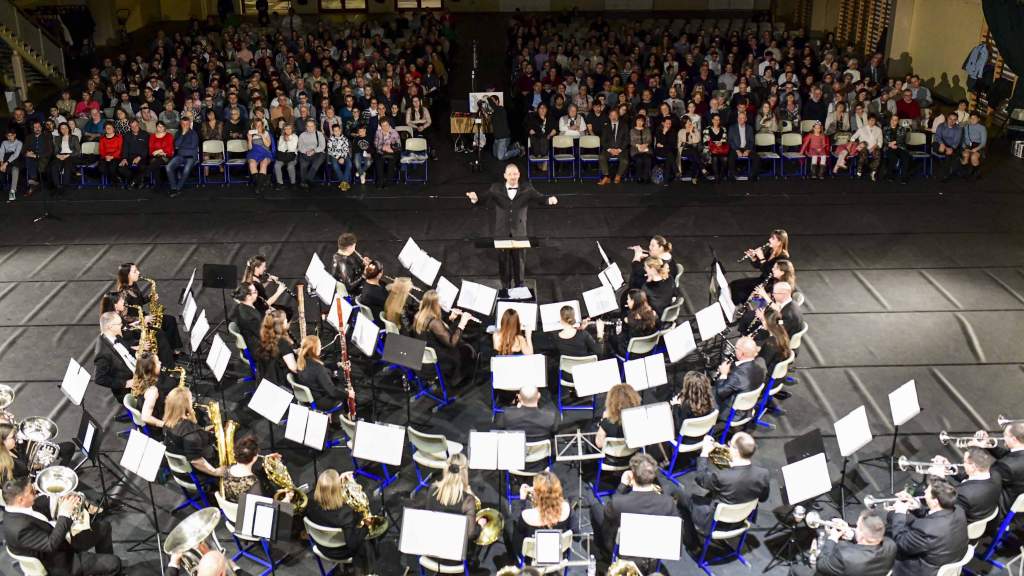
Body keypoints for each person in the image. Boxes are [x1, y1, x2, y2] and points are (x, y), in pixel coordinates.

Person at [3, 476, 121, 576]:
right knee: (114, 563)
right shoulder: (20, 529)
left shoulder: (16, 509)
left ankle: (101, 567)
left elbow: (38, 509)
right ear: (20, 499)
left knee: (104, 527)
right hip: (61, 562)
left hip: (62, 541)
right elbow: (51, 545)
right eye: (32, 492)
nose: (35, 494)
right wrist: (65, 514)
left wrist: (58, 497)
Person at [465, 163, 558, 289]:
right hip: (501, 233)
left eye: (515, 174)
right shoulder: (496, 188)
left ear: (519, 174)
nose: (512, 177)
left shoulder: (527, 189)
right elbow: (483, 198)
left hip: (519, 233)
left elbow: (540, 198)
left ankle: (519, 287)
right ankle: (506, 286)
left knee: (519, 262)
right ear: (505, 176)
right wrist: (475, 198)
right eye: (510, 174)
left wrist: (549, 200)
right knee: (503, 262)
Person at [680, 433, 771, 550]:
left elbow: (701, 479)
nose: (726, 446)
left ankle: (693, 543)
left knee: (680, 496)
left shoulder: (722, 477)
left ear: (736, 451)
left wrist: (704, 454)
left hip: (717, 522)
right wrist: (718, 450)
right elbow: (763, 498)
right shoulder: (763, 474)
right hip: (741, 519)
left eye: (729, 444)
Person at [589, 453, 677, 561]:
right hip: (654, 550)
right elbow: (675, 533)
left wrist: (622, 485)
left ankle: (604, 552)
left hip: (625, 551)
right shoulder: (668, 502)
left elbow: (608, 515)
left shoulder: (619, 502)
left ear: (632, 475)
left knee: (596, 508)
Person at [888, 479, 968, 576]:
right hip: (948, 556)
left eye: (927, 491)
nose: (924, 492)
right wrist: (919, 507)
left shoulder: (926, 530)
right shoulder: (959, 510)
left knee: (889, 543)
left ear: (935, 501)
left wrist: (900, 512)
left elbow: (901, 542)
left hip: (920, 571)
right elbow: (937, 515)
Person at [788, 510, 896, 576]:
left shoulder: (845, 556)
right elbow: (870, 539)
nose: (854, 528)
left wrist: (832, 538)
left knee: (795, 570)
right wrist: (851, 534)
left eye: (857, 527)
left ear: (863, 535)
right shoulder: (891, 545)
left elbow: (821, 565)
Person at [417, 454, 487, 553]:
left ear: (446, 469)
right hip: (454, 555)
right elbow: (471, 534)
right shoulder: (468, 500)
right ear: (464, 472)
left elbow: (429, 518)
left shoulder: (432, 489)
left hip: (432, 550)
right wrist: (480, 525)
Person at [304, 470, 369, 568]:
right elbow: (353, 545)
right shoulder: (345, 513)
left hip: (321, 546)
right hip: (341, 552)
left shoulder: (309, 502)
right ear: (337, 490)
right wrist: (366, 527)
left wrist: (336, 484)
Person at [413, 290, 475, 387]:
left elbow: (437, 333)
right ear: (435, 304)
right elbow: (452, 342)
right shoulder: (434, 322)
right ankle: (459, 380)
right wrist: (462, 323)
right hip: (438, 358)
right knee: (467, 349)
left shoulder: (419, 315)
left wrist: (451, 318)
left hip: (426, 354)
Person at [507, 471, 573, 560]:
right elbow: (575, 530)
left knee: (509, 525)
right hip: (559, 553)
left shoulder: (527, 515)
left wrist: (522, 500)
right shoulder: (566, 507)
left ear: (538, 495)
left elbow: (517, 540)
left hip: (531, 557)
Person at [163, 386, 225, 480]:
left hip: (180, 465)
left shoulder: (167, 422)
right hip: (194, 473)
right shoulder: (191, 436)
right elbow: (196, 461)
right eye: (191, 399)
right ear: (186, 405)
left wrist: (194, 421)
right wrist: (216, 472)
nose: (193, 401)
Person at [928, 447, 999, 525]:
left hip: (963, 524)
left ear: (973, 467)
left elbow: (945, 504)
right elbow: (967, 477)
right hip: (982, 512)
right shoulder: (995, 476)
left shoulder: (963, 493)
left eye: (964, 462)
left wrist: (938, 478)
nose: (962, 464)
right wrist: (949, 467)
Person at [729, 229, 790, 305]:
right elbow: (760, 266)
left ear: (780, 242)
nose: (769, 239)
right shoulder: (771, 250)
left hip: (770, 285)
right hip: (762, 279)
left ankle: (746, 308)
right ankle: (734, 306)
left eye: (773, 238)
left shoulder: (783, 258)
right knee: (735, 284)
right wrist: (753, 258)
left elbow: (769, 273)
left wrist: (761, 257)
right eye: (771, 237)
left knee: (741, 292)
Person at [973, 422, 1024, 512]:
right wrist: (988, 446)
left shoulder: (1004, 466)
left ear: (1014, 439)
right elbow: (1011, 456)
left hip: (1006, 513)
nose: (1003, 438)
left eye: (1005, 435)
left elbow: (984, 484)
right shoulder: (1013, 459)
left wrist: (975, 453)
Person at [715, 336, 767, 413]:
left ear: (742, 353)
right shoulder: (760, 367)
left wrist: (723, 374)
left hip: (731, 412)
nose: (735, 350)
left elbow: (721, 392)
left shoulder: (738, 375)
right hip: (748, 406)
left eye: (736, 348)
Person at [296, 335, 348, 411]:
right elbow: (333, 392)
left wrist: (336, 365)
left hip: (309, 398)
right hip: (320, 401)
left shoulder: (302, 361)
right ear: (315, 349)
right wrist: (348, 394)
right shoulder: (318, 368)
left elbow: (322, 367)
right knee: (343, 394)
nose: (321, 347)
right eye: (319, 345)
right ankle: (342, 418)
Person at [93, 311, 135, 403]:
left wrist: (136, 349)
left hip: (136, 370)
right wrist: (126, 383)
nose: (122, 325)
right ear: (110, 327)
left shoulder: (113, 335)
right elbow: (99, 378)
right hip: (129, 388)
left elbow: (125, 352)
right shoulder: (103, 353)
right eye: (119, 323)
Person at [221, 435, 276, 503]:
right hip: (244, 509)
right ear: (254, 458)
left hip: (233, 504)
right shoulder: (253, 483)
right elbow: (259, 508)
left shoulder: (228, 469)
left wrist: (266, 459)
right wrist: (286, 500)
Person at [128, 350, 170, 430]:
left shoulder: (141, 378)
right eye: (157, 362)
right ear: (151, 368)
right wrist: (165, 425)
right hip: (159, 425)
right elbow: (146, 417)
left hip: (158, 410)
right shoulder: (152, 391)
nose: (160, 363)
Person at [609, 290, 659, 358]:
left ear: (634, 302)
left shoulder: (629, 321)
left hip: (632, 354)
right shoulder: (654, 314)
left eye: (628, 299)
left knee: (611, 338)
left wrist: (618, 333)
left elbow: (623, 339)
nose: (627, 301)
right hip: (649, 350)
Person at [255, 310, 296, 385]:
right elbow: (293, 368)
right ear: (281, 324)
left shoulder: (263, 338)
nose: (287, 320)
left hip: (265, 381)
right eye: (286, 319)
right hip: (281, 384)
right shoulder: (283, 343)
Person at [628, 252, 675, 316]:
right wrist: (651, 277)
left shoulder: (647, 287)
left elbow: (641, 304)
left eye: (645, 267)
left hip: (654, 315)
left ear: (652, 269)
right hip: (665, 308)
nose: (644, 269)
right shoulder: (670, 278)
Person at [167, 116, 199, 196]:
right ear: (181, 124)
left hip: (191, 156)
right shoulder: (178, 133)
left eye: (187, 124)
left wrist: (181, 146)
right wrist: (183, 134)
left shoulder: (194, 133)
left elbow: (193, 146)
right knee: (168, 167)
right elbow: (176, 145)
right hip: (180, 156)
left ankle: (178, 188)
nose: (185, 126)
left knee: (186, 170)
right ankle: (173, 187)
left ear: (189, 124)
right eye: (183, 124)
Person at [597, 108, 629, 185]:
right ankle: (606, 177)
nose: (613, 117)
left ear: (618, 116)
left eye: (615, 115)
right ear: (609, 116)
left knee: (625, 161)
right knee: (601, 157)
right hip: (609, 149)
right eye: (611, 115)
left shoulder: (624, 125)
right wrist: (610, 149)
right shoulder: (605, 126)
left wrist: (619, 149)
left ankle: (618, 175)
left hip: (620, 149)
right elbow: (603, 141)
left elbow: (627, 139)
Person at [231, 281, 263, 355]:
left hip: (254, 341)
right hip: (258, 350)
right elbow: (262, 335)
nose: (257, 292)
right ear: (248, 296)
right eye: (255, 291)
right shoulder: (248, 316)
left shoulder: (241, 306)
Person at [850, 113, 884, 181]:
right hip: (863, 147)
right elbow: (852, 138)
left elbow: (880, 142)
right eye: (870, 120)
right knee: (864, 152)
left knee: (878, 153)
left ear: (875, 121)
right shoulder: (862, 129)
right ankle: (859, 170)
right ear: (868, 120)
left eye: (873, 120)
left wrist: (874, 147)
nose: (872, 122)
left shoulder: (878, 130)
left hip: (874, 147)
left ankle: (873, 172)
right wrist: (858, 145)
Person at [489, 94, 522, 161]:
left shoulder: (501, 109)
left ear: (497, 101)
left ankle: (519, 151)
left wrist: (487, 97)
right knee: (495, 155)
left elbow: (493, 106)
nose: (491, 103)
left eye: (492, 101)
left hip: (503, 137)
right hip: (497, 138)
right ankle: (514, 145)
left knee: (500, 157)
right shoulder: (493, 112)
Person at [727, 111, 759, 180]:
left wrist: (747, 150)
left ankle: (753, 175)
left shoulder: (749, 128)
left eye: (743, 118)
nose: (741, 120)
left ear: (746, 119)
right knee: (730, 157)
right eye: (739, 118)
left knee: (756, 157)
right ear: (737, 119)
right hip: (736, 148)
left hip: (746, 147)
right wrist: (737, 150)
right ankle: (733, 175)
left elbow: (751, 141)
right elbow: (730, 141)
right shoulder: (732, 128)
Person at [23, 120, 52, 196]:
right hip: (31, 157)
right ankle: (33, 182)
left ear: (41, 128)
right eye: (35, 127)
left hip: (43, 158)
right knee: (28, 159)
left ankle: (32, 183)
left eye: (38, 127)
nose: (37, 128)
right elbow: (23, 150)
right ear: (32, 128)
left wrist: (37, 156)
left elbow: (49, 151)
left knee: (32, 160)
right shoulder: (29, 137)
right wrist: (27, 153)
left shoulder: (47, 137)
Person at [882, 113, 912, 184]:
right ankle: (890, 176)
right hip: (889, 147)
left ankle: (904, 177)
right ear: (890, 120)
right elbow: (883, 138)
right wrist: (889, 144)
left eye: (895, 120)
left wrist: (894, 143)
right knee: (893, 157)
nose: (893, 121)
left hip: (900, 147)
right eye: (892, 119)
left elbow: (901, 138)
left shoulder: (902, 128)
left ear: (898, 121)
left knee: (906, 157)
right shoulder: (885, 128)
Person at [247, 120, 274, 194]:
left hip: (265, 152)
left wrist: (262, 135)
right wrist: (249, 139)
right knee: (252, 163)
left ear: (262, 126)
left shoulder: (266, 133)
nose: (258, 127)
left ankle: (258, 187)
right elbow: (249, 148)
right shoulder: (252, 134)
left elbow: (268, 145)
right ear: (254, 126)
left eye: (260, 125)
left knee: (264, 163)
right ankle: (260, 184)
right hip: (254, 152)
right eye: (256, 125)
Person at [120, 120, 149, 189]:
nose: (134, 128)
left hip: (142, 157)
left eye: (135, 126)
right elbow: (125, 148)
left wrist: (139, 157)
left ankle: (132, 182)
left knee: (142, 167)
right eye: (132, 126)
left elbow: (147, 148)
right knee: (121, 168)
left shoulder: (145, 134)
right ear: (130, 127)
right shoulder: (127, 135)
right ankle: (138, 181)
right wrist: (124, 158)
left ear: (138, 125)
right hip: (130, 157)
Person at [297, 118, 326, 188]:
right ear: (306, 127)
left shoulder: (319, 134)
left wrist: (314, 151)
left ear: (315, 126)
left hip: (317, 153)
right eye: (308, 126)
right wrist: (306, 152)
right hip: (305, 153)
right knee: (303, 164)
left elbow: (322, 146)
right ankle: (303, 182)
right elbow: (300, 147)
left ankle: (309, 178)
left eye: (312, 126)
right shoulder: (302, 135)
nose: (310, 128)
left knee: (321, 156)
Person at [933, 114, 962, 182]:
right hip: (940, 143)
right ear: (947, 118)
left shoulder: (958, 129)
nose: (952, 121)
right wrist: (943, 145)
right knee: (942, 150)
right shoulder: (941, 125)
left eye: (954, 120)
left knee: (949, 154)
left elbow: (956, 141)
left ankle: (945, 175)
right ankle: (942, 170)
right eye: (950, 119)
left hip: (951, 146)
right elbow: (937, 137)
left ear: (956, 121)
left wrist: (951, 148)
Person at [373, 117, 400, 188]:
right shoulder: (378, 132)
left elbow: (399, 145)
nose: (385, 127)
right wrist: (382, 147)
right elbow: (375, 144)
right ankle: (380, 181)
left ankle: (389, 182)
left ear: (389, 124)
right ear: (380, 126)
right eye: (383, 126)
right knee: (378, 160)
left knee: (391, 162)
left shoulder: (394, 132)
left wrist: (392, 149)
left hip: (392, 151)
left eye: (386, 125)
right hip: (381, 151)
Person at [960, 111, 986, 180]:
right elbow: (959, 125)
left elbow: (983, 142)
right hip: (967, 146)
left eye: (975, 118)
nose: (973, 120)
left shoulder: (982, 128)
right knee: (965, 155)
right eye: (971, 118)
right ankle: (965, 172)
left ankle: (976, 172)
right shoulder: (966, 126)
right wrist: (964, 146)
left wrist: (976, 149)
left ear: (978, 119)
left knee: (974, 157)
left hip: (978, 146)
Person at [147, 121, 174, 187]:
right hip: (155, 156)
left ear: (165, 127)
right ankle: (158, 184)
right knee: (156, 162)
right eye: (159, 126)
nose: (160, 128)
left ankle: (145, 175)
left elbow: (170, 148)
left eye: (162, 126)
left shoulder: (169, 136)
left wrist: (159, 150)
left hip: (166, 157)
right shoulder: (152, 136)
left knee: (155, 162)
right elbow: (151, 150)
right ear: (156, 127)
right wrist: (159, 152)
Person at [703, 113, 729, 181]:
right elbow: (705, 141)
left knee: (725, 159)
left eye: (718, 120)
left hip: (721, 149)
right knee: (714, 158)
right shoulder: (707, 129)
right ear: (712, 120)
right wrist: (714, 144)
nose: (717, 121)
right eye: (715, 119)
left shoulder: (723, 129)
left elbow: (724, 140)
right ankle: (716, 176)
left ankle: (721, 175)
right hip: (710, 149)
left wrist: (721, 143)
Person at [326, 123, 352, 191]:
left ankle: (343, 182)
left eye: (338, 130)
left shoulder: (344, 138)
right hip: (335, 156)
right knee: (335, 165)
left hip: (344, 155)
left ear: (340, 130)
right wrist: (338, 157)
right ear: (333, 131)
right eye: (335, 131)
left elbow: (346, 149)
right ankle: (344, 182)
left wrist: (342, 157)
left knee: (349, 164)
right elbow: (330, 150)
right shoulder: (330, 140)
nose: (337, 132)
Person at [678, 115, 702, 183]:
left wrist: (691, 132)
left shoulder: (695, 130)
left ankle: (694, 177)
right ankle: (702, 168)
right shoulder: (681, 131)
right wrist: (689, 142)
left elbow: (697, 140)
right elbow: (682, 143)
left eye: (689, 121)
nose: (689, 123)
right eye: (687, 122)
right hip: (683, 150)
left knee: (694, 158)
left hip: (692, 151)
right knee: (693, 151)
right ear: (684, 124)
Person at [653, 116, 677, 185]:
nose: (668, 125)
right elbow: (659, 143)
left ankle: (666, 180)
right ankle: (675, 170)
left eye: (670, 123)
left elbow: (672, 144)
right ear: (663, 123)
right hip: (660, 152)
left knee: (669, 156)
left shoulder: (673, 131)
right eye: (667, 123)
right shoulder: (658, 130)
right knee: (670, 155)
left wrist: (663, 145)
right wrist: (664, 133)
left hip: (669, 150)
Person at [629, 115, 653, 183]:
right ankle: (638, 177)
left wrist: (645, 145)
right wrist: (638, 146)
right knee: (639, 160)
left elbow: (649, 139)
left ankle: (646, 177)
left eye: (641, 121)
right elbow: (631, 141)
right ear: (635, 121)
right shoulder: (632, 130)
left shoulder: (647, 130)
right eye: (638, 120)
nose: (639, 122)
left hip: (646, 149)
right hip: (635, 149)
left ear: (644, 122)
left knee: (647, 159)